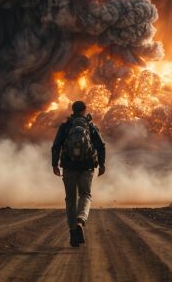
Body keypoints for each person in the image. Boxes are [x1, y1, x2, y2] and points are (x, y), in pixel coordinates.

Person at [51, 100, 106, 247]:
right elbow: (101, 146)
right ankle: (80, 221)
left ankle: (72, 231)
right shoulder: (91, 126)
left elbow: (56, 146)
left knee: (70, 199)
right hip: (87, 167)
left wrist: (54, 164)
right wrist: (102, 164)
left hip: (68, 166)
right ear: (84, 110)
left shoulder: (65, 126)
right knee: (85, 195)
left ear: (72, 110)